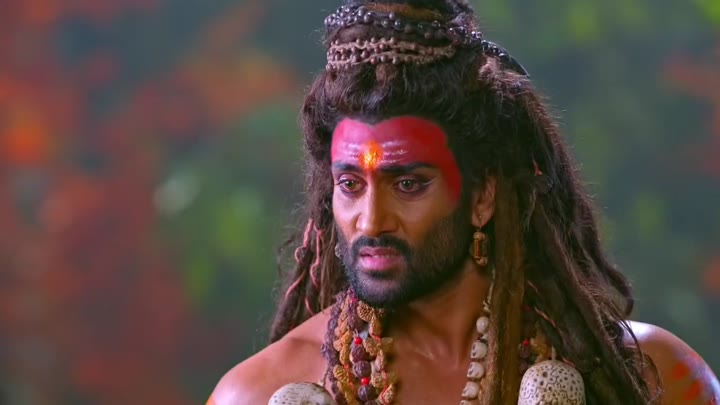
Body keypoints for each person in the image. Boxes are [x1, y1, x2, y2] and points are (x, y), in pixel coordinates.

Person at [209, 0, 720, 403]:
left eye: (408, 184)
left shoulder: (652, 379)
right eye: (351, 185)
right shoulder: (256, 392)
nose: (372, 221)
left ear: (482, 196)